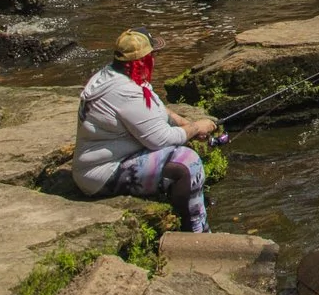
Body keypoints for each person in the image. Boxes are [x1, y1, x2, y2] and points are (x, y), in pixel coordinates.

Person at [73, 29, 218, 232]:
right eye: (153, 55)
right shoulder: (126, 91)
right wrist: (195, 127)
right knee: (187, 163)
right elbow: (160, 140)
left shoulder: (115, 74)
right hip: (101, 174)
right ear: (141, 61)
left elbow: (153, 108)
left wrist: (182, 122)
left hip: (115, 159)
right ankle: (196, 232)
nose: (156, 59)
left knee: (182, 145)